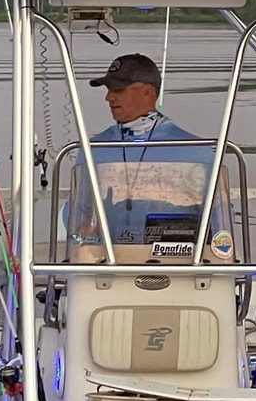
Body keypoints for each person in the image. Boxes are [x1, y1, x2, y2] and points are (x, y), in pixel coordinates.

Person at [66, 53, 231, 257]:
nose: (109, 97)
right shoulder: (93, 149)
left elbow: (221, 222)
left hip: (178, 267)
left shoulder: (197, 152)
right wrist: (83, 233)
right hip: (106, 266)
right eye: (108, 90)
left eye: (118, 90)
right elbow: (77, 214)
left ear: (147, 93)